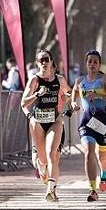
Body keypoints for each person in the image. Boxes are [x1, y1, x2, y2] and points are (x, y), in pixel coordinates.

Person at [20, 49, 73, 202]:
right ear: (37, 63)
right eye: (41, 60)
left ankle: (51, 190)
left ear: (51, 61)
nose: (44, 63)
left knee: (52, 154)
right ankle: (42, 169)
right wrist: (37, 94)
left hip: (54, 121)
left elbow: (69, 93)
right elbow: (23, 102)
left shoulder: (59, 79)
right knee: (42, 160)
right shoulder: (34, 80)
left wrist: (68, 98)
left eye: (46, 59)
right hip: (37, 122)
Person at [71, 50, 106, 202]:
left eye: (95, 61)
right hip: (86, 122)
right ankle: (93, 190)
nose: (92, 64)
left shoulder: (104, 79)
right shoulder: (80, 80)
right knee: (88, 152)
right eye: (90, 61)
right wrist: (73, 102)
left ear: (99, 64)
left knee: (102, 156)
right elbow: (75, 91)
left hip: (103, 122)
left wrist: (99, 95)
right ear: (86, 63)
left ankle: (104, 173)